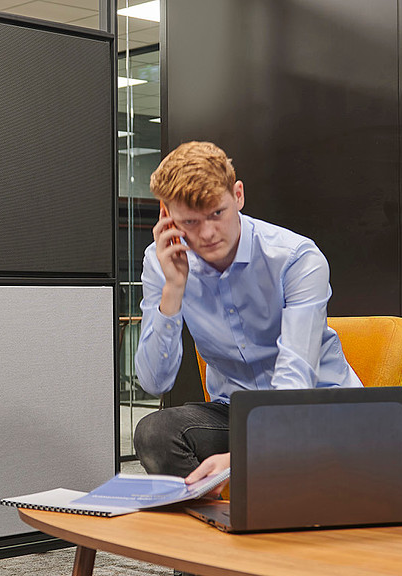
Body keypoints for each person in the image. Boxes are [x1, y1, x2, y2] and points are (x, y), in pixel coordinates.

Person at [132, 141, 362, 491]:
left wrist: (248, 456)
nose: (207, 234)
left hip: (317, 410)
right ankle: (216, 528)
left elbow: (295, 377)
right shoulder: (160, 263)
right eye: (190, 222)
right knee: (154, 433)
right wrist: (173, 289)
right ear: (167, 217)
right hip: (237, 413)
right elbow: (154, 382)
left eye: (216, 213)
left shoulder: (295, 258)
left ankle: (255, 509)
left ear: (237, 195)